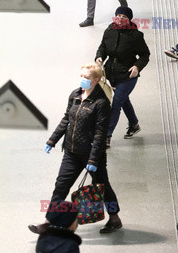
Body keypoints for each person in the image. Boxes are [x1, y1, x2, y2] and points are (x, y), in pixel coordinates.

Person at [29, 63, 122, 235]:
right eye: (81, 76)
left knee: (103, 188)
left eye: (86, 77)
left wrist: (94, 159)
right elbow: (67, 119)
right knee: (61, 186)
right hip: (71, 152)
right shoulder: (75, 95)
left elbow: (100, 134)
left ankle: (115, 218)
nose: (82, 80)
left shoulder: (101, 103)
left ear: (96, 80)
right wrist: (52, 140)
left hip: (91, 155)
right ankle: (48, 222)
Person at [95, 7, 150, 147]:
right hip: (111, 75)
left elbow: (145, 55)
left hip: (127, 76)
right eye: (118, 15)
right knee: (124, 100)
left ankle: (107, 136)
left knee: (116, 103)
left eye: (124, 16)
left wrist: (137, 67)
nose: (120, 18)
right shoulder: (109, 31)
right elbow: (102, 47)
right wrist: (100, 57)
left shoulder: (136, 36)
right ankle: (134, 124)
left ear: (129, 19)